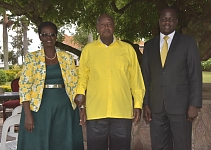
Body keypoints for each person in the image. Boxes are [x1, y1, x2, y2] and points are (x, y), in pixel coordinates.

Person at [74, 14, 145, 150]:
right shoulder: (88, 50)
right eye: (102, 24)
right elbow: (82, 77)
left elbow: (136, 79)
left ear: (114, 27)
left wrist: (137, 104)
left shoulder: (127, 50)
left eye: (109, 24)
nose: (106, 27)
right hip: (96, 112)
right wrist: (82, 104)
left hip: (122, 111)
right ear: (97, 28)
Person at [141, 6, 202, 150]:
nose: (167, 22)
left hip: (181, 107)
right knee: (159, 146)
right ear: (159, 21)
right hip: (156, 107)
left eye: (170, 19)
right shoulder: (149, 46)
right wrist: (146, 103)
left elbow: (195, 74)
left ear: (176, 22)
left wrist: (194, 104)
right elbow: (146, 76)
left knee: (182, 145)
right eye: (164, 19)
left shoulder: (188, 42)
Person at [17, 21, 84, 150]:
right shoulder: (32, 58)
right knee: (38, 142)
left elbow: (75, 83)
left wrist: (81, 108)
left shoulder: (67, 58)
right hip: (38, 109)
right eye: (45, 34)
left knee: (62, 141)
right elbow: (25, 86)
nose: (49, 38)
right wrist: (28, 114)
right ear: (40, 37)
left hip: (65, 107)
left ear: (56, 36)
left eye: (52, 34)